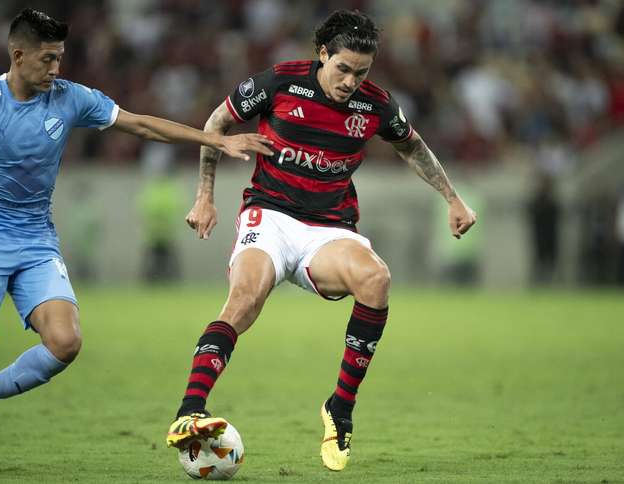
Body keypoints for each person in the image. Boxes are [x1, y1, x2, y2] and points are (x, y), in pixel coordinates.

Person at [0, 9, 272, 480]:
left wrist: (213, 138)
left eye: (61, 58)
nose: (57, 69)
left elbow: (141, 125)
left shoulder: (70, 98)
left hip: (35, 239)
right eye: (49, 59)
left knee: (66, 342)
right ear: (19, 55)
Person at [165, 9, 476, 472]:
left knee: (376, 279)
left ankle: (340, 409)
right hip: (269, 216)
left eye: (362, 72)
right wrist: (205, 196)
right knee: (244, 301)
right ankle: (189, 411)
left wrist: (452, 197)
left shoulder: (376, 105)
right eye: (343, 68)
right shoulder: (280, 82)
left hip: (329, 229)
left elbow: (412, 144)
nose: (351, 81)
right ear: (323, 54)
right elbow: (215, 123)